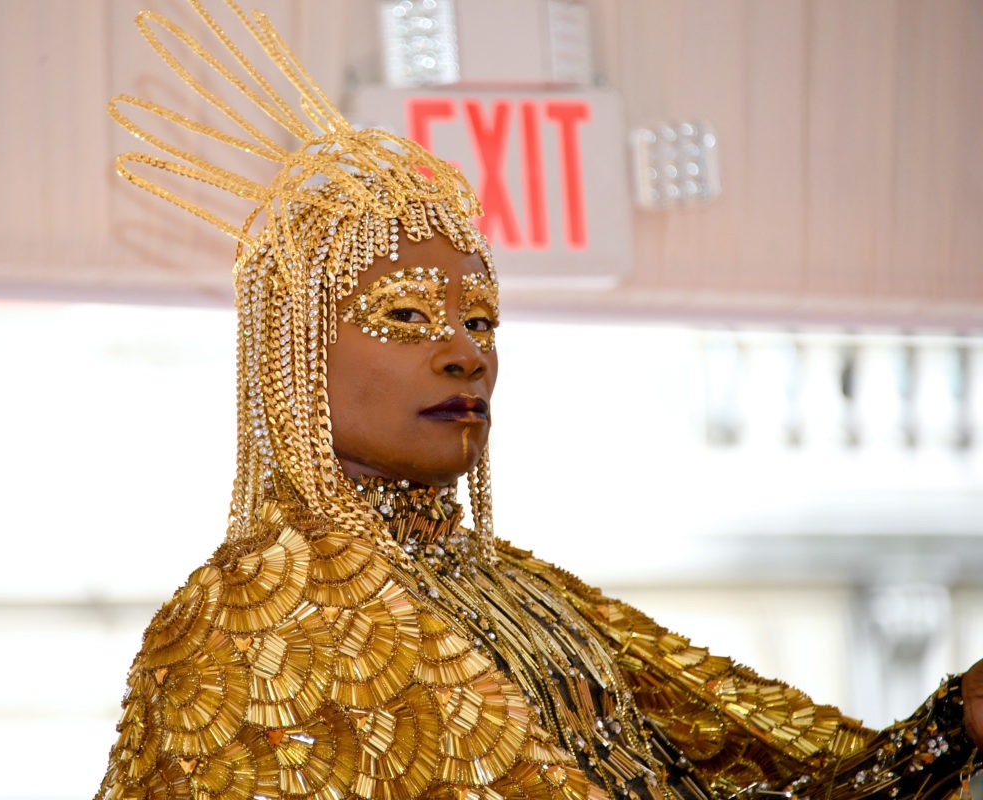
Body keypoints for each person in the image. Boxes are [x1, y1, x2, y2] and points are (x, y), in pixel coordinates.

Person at [95, 3, 982, 798]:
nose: (464, 355)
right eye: (404, 316)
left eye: (481, 322)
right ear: (297, 354)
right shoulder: (234, 628)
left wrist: (948, 732)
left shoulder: (530, 598)